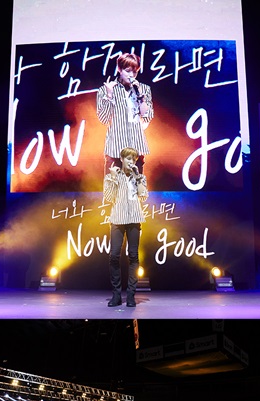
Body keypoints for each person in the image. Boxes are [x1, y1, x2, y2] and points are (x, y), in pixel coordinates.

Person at [103, 146, 148, 308]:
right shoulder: (112, 176)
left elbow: (143, 196)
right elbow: (109, 198)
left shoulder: (139, 177)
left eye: (133, 159)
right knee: (114, 255)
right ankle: (116, 295)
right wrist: (113, 178)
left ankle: (130, 295)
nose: (131, 161)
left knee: (133, 256)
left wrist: (137, 177)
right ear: (121, 159)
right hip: (117, 219)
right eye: (128, 158)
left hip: (134, 219)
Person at [96, 52, 154, 176]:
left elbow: (148, 116)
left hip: (136, 148)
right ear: (119, 69)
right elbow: (104, 119)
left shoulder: (144, 89)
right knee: (113, 186)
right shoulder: (105, 90)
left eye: (135, 71)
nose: (132, 75)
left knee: (136, 187)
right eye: (128, 71)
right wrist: (109, 96)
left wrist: (141, 97)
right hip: (115, 149)